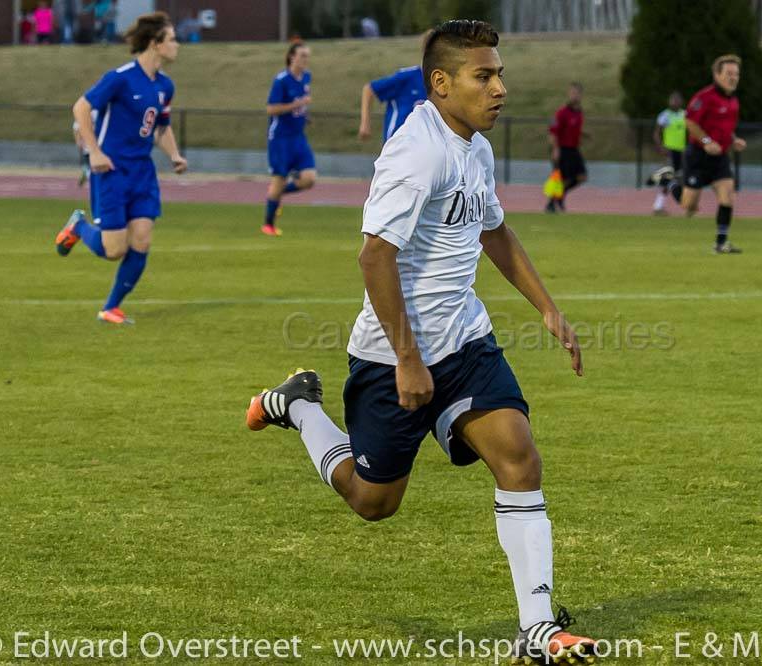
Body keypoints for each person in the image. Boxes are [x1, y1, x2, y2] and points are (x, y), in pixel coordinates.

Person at [245, 19, 599, 665]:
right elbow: (374, 257)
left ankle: (537, 629)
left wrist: (548, 309)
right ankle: (298, 406)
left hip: (465, 344)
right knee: (373, 502)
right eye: (483, 75)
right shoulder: (418, 153)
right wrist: (408, 359)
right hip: (391, 358)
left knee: (519, 456)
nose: (500, 87)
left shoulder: (473, 147)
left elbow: (494, 231)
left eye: (499, 73)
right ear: (441, 84)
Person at [54, 12, 187, 325]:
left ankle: (110, 308)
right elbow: (81, 107)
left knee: (142, 239)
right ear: (155, 44)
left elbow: (162, 126)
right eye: (172, 39)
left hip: (142, 171)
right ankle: (78, 227)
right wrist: (94, 152)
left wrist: (174, 155)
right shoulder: (120, 77)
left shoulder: (165, 86)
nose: (177, 45)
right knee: (114, 249)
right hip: (111, 170)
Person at [649, 55, 747, 253]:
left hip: (719, 159)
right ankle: (668, 180)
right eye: (728, 73)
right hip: (698, 157)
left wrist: (734, 139)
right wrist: (706, 142)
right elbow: (690, 122)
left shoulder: (734, 102)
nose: (733, 78)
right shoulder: (704, 97)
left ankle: (720, 243)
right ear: (717, 75)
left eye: (736, 74)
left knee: (727, 196)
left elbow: (726, 127)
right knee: (689, 206)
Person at [262, 42, 316, 237]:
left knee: (309, 179)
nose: (305, 60)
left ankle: (275, 195)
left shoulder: (306, 77)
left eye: (307, 56)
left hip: (298, 137)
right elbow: (271, 109)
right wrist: (298, 104)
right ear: (292, 57)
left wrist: (304, 115)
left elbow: (299, 108)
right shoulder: (281, 80)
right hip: (280, 139)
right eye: (302, 55)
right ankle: (268, 224)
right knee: (279, 179)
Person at [357, 33, 429, 144]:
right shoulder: (408, 76)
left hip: (421, 148)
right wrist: (365, 123)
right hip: (396, 145)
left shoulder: (443, 85)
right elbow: (369, 89)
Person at [545, 82, 587, 213]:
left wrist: (585, 135)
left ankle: (558, 198)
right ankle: (551, 204)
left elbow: (573, 130)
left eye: (577, 93)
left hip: (574, 150)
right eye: (572, 93)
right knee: (564, 178)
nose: (574, 96)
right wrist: (555, 149)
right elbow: (553, 132)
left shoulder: (579, 113)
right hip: (563, 149)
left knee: (581, 177)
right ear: (569, 94)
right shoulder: (562, 112)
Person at [651, 91, 685, 215]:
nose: (674, 102)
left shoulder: (684, 115)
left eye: (677, 100)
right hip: (669, 151)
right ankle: (658, 206)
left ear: (681, 102)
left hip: (681, 152)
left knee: (679, 178)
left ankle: (680, 203)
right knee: (669, 177)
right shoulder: (665, 115)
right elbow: (656, 133)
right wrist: (660, 147)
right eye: (672, 100)